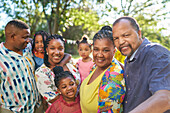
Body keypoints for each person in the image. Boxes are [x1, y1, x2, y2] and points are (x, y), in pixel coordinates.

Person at [112, 16, 170, 113]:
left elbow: (165, 98)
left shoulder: (156, 54)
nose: (121, 42)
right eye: (116, 38)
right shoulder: (128, 59)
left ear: (139, 33)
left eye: (126, 35)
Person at [0, 19, 42, 113]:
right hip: (12, 110)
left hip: (36, 107)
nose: (28, 40)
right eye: (25, 37)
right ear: (13, 37)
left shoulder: (28, 48)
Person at [80, 28, 126, 113]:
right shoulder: (95, 67)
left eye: (105, 50)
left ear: (114, 51)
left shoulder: (114, 78)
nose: (100, 55)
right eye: (96, 49)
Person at [35, 34, 81, 110]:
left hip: (80, 107)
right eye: (52, 48)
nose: (57, 52)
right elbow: (52, 98)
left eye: (60, 48)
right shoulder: (41, 73)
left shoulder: (70, 63)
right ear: (46, 50)